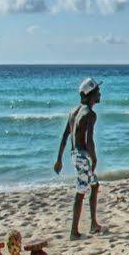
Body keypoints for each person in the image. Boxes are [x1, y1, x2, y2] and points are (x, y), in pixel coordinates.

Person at [55, 78, 103, 238]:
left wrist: (59, 159)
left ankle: (93, 224)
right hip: (83, 156)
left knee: (94, 185)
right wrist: (94, 158)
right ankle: (74, 231)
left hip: (74, 154)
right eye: (97, 91)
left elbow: (64, 137)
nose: (100, 94)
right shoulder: (90, 114)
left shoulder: (73, 112)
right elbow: (89, 140)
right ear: (91, 95)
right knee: (81, 191)